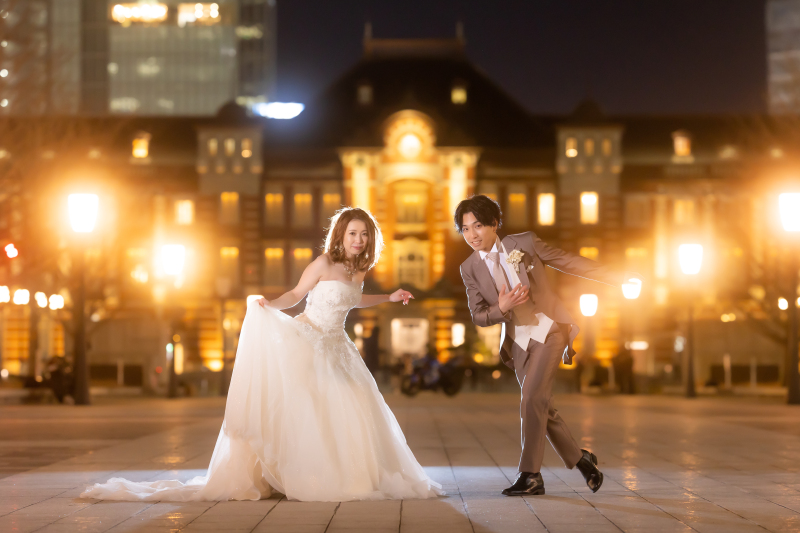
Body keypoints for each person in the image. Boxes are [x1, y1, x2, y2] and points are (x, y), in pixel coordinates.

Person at [81, 207, 443, 502]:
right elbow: (296, 295)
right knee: (301, 410)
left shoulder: (359, 269)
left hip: (339, 347)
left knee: (351, 405)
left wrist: (388, 298)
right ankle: (280, 475)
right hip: (310, 339)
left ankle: (342, 472)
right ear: (340, 235)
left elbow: (353, 300)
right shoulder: (323, 264)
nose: (358, 239)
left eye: (364, 234)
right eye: (352, 233)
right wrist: (271, 304)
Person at [455, 194, 641, 496]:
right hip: (518, 341)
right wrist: (501, 307)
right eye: (465, 229)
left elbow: (567, 261)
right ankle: (582, 461)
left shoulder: (524, 243)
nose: (472, 235)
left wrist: (617, 278)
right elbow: (478, 315)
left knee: (531, 398)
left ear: (494, 224)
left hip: (548, 329)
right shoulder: (469, 268)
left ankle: (530, 475)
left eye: (478, 226)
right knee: (542, 405)